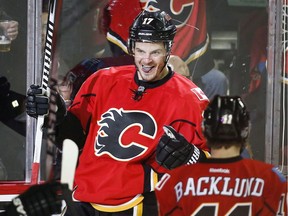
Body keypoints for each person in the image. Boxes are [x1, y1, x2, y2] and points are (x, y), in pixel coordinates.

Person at [26, 8, 211, 215]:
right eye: (140, 51)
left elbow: (211, 171)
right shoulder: (102, 81)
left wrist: (193, 157)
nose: (146, 60)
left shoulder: (189, 99)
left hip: (138, 204)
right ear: (132, 48)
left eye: (155, 52)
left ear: (168, 50)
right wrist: (57, 116)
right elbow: (73, 140)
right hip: (83, 201)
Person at [155, 95, 288, 216]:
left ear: (206, 131)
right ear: (245, 131)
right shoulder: (272, 178)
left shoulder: (173, 184)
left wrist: (193, 160)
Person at [101, 0, 228, 100]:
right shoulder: (124, 6)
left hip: (183, 67)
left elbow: (220, 11)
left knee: (216, 80)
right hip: (134, 67)